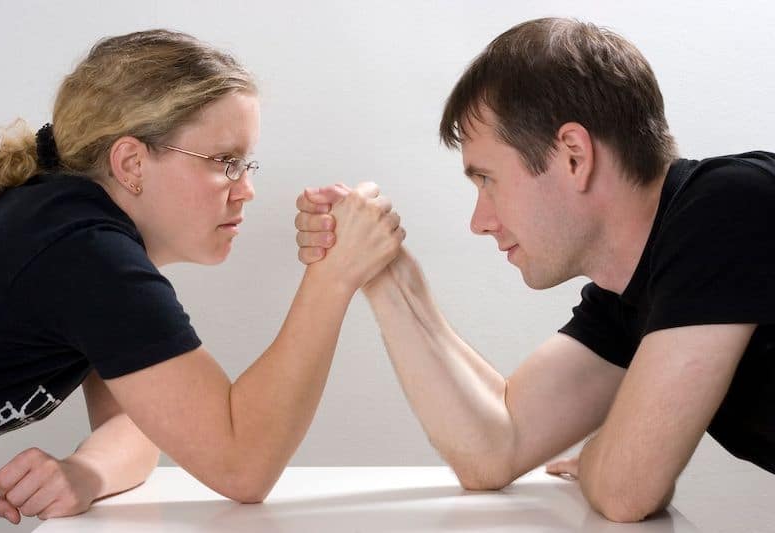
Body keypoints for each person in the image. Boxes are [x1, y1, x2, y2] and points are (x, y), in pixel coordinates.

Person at [294, 17, 775, 523]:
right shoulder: (632, 291)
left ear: (573, 156)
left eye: (487, 179)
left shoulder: (729, 207)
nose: (480, 222)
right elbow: (494, 449)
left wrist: (597, 457)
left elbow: (625, 489)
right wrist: (386, 274)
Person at [0, 29, 404, 525]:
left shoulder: (70, 226)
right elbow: (242, 465)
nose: (247, 190)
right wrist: (333, 275)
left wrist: (87, 471)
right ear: (132, 162)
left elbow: (144, 422)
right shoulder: (86, 255)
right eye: (226, 162)